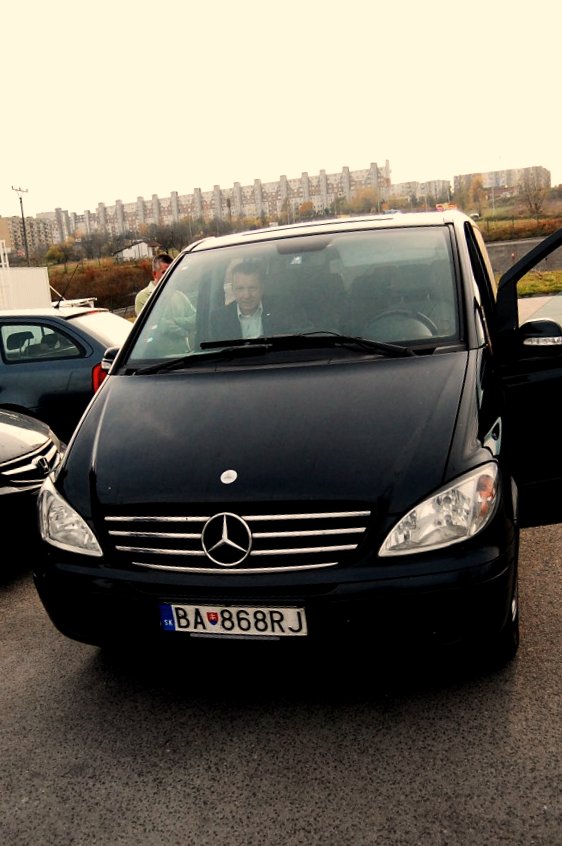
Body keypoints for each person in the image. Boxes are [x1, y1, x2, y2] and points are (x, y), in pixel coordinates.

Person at [210, 260, 303, 341]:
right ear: (232, 289)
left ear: (262, 288)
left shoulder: (283, 309)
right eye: (240, 289)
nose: (246, 295)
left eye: (252, 288)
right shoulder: (219, 319)